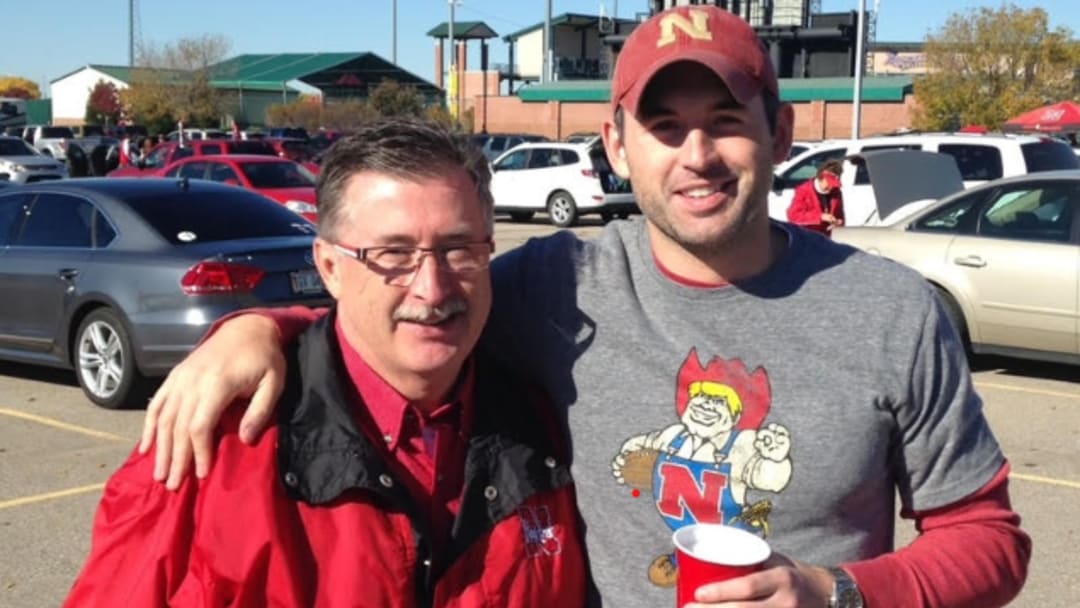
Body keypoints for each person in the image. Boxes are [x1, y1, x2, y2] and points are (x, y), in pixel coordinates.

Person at [140, 6, 1031, 608]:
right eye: (664, 126)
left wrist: (835, 592)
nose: (698, 155)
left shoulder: (889, 310)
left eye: (725, 118)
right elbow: (409, 308)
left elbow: (989, 537)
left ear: (780, 133)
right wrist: (263, 329)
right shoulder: (556, 286)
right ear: (615, 145)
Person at [65, 118, 588, 607]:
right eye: (393, 253)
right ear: (330, 267)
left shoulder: (540, 424)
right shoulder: (208, 445)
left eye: (458, 249)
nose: (432, 288)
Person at [786, 159, 845, 236]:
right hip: (807, 236)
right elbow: (793, 216)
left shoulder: (836, 192)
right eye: (829, 183)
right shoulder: (804, 190)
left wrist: (838, 223)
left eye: (834, 184)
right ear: (821, 177)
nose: (832, 187)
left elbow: (840, 216)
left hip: (826, 238)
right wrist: (820, 216)